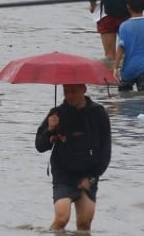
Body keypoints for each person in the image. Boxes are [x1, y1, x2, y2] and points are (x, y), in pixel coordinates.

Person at [35, 84, 112, 231]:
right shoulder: (57, 113)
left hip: (88, 174)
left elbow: (105, 152)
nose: (69, 96)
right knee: (62, 218)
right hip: (63, 173)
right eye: (66, 91)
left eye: (73, 92)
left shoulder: (98, 113)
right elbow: (40, 145)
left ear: (84, 89)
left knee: (84, 225)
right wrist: (49, 130)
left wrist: (92, 178)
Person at [112, 0, 144, 91]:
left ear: (128, 7)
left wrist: (115, 67)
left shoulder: (124, 26)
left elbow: (121, 48)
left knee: (124, 100)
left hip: (128, 70)